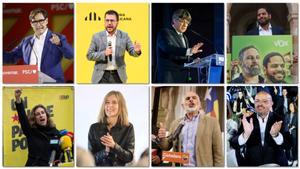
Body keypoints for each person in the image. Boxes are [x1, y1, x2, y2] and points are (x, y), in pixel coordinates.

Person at [3, 8, 74, 83]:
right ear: (31, 24)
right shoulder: (26, 41)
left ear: (46, 21)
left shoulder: (58, 38)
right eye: (35, 22)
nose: (38, 24)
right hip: (31, 84)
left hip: (52, 85)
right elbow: (11, 57)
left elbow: (71, 55)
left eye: (41, 20)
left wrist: (59, 44)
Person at [158, 91, 224, 166]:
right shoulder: (175, 123)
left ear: (199, 105)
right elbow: (166, 146)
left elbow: (218, 155)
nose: (191, 100)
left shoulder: (212, 122)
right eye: (187, 98)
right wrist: (162, 138)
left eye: (194, 98)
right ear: (183, 105)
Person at [230, 91, 289, 166]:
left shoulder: (280, 119)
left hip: (277, 164)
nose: (260, 104)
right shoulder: (247, 120)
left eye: (265, 101)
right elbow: (233, 143)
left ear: (271, 103)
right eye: (257, 101)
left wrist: (276, 136)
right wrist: (244, 136)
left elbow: (289, 144)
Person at [87, 10, 141, 83]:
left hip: (118, 76)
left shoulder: (124, 36)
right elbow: (89, 55)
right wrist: (104, 53)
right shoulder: (96, 36)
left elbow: (132, 52)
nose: (109, 23)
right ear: (104, 21)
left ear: (117, 22)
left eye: (112, 21)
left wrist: (137, 51)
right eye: (107, 20)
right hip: (101, 76)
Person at [14, 89, 61, 166]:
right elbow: (22, 117)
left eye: (43, 113)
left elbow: (59, 155)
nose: (41, 115)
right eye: (38, 114)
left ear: (46, 115)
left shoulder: (55, 132)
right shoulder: (31, 131)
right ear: (34, 118)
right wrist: (18, 99)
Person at [156, 9, 203, 83]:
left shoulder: (184, 37)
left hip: (183, 78)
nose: (185, 25)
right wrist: (189, 51)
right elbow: (168, 48)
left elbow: (182, 57)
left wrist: (193, 61)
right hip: (169, 78)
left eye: (187, 22)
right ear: (174, 20)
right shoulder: (165, 32)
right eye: (182, 21)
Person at [88, 91, 135, 166]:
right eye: (107, 102)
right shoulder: (94, 128)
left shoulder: (128, 127)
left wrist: (114, 146)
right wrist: (105, 152)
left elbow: (129, 157)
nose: (110, 105)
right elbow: (89, 159)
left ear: (121, 106)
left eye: (114, 102)